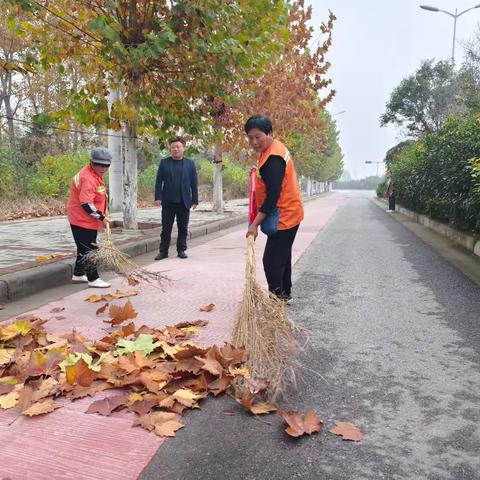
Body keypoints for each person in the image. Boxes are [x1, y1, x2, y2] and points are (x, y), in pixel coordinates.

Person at [245, 115, 304, 304]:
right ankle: (284, 295)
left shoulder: (274, 159)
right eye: (250, 138)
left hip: (284, 215)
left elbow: (272, 197)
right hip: (288, 212)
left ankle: (277, 299)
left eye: (258, 137)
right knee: (282, 257)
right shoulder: (271, 149)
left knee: (271, 262)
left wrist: (254, 225)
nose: (254, 142)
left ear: (269, 133)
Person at [67, 148, 111, 288]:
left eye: (106, 165)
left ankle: (78, 274)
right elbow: (86, 204)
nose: (103, 168)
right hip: (81, 218)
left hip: (88, 218)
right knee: (89, 249)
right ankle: (93, 278)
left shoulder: (96, 174)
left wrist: (104, 211)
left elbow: (99, 195)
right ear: (92, 163)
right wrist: (102, 217)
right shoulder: (88, 178)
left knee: (83, 246)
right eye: (99, 165)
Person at [154, 137, 198, 260]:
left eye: (178, 147)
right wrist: (158, 197)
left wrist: (195, 200)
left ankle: (181, 250)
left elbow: (194, 183)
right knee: (166, 229)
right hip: (168, 202)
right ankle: (163, 252)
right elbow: (158, 181)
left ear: (183, 148)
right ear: (170, 149)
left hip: (184, 202)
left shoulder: (190, 164)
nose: (176, 149)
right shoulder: (164, 162)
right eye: (173, 147)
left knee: (183, 228)